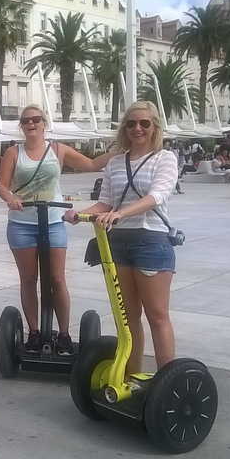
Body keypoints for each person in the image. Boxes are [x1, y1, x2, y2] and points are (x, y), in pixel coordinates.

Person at [64, 101, 178, 375]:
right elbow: (105, 202)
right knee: (127, 318)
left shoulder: (165, 158)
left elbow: (156, 197)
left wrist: (120, 214)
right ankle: (131, 376)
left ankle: (167, 381)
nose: (137, 128)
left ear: (154, 128)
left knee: (157, 316)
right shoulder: (116, 162)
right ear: (125, 128)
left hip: (151, 243)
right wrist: (80, 214)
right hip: (117, 244)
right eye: (131, 123)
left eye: (144, 124)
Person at [0, 105, 116, 356]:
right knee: (28, 280)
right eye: (26, 120)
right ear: (22, 125)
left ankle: (63, 334)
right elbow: (1, 185)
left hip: (53, 222)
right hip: (22, 224)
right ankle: (34, 332)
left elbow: (92, 164)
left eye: (36, 119)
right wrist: (9, 198)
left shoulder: (58, 150)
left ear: (44, 123)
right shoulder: (13, 152)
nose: (31, 123)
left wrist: (120, 148)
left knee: (57, 280)